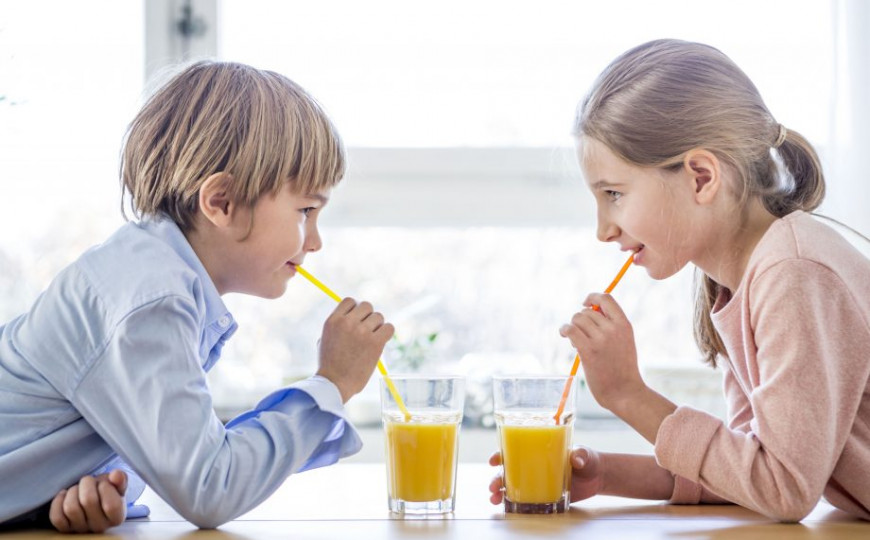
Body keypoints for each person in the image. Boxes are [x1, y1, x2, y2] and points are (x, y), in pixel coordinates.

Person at [0, 60, 394, 532]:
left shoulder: (150, 277)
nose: (314, 241)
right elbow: (211, 487)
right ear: (221, 202)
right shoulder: (150, 302)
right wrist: (332, 384)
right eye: (306, 210)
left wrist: (74, 488)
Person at [489, 39, 870, 522]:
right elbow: (748, 466)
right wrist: (608, 474)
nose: (603, 230)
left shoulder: (793, 274)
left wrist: (628, 394)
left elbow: (782, 487)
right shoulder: (736, 279)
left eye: (614, 194)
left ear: (701, 178)